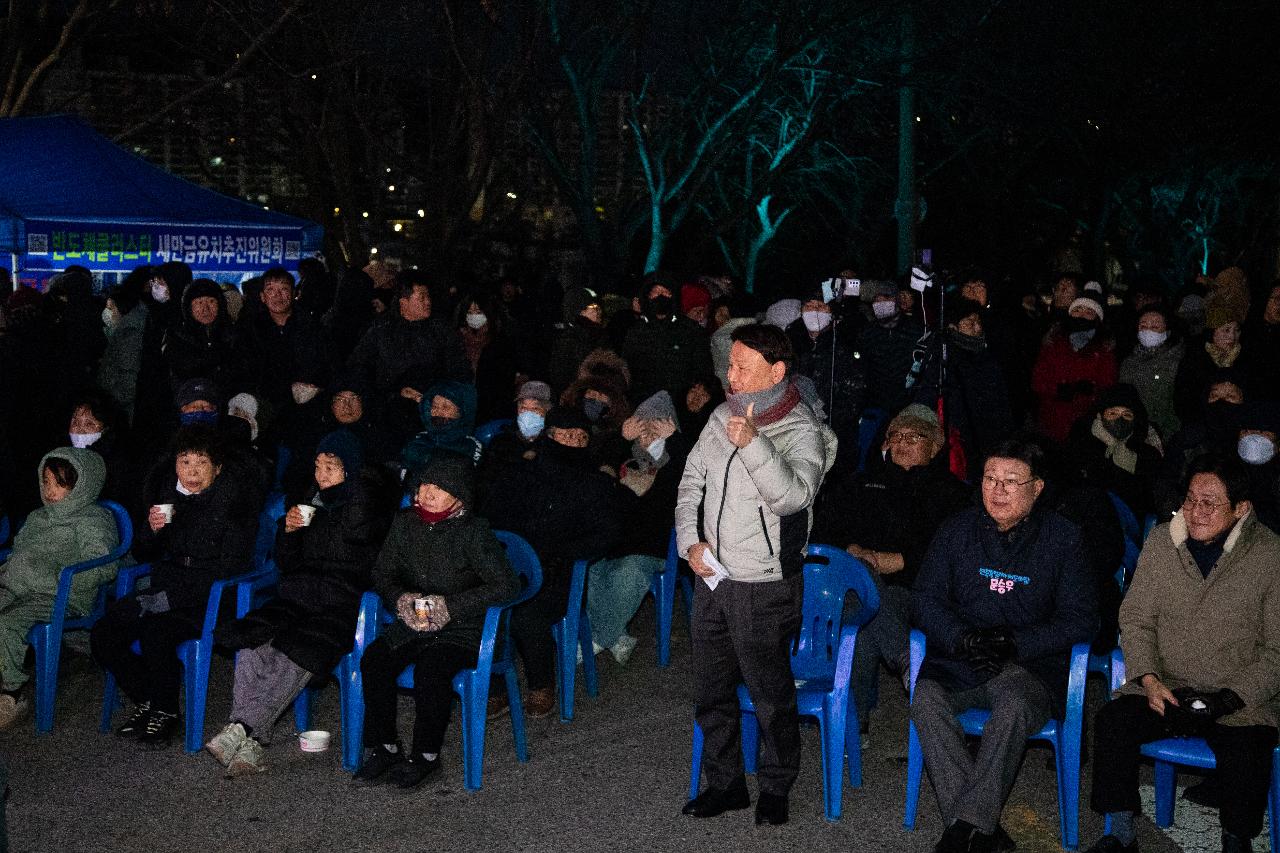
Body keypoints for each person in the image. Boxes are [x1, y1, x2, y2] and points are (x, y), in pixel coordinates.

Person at [678, 323, 836, 827]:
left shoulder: (803, 429)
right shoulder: (721, 414)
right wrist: (690, 543)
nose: (732, 375)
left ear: (777, 370)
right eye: (729, 365)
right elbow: (689, 483)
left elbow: (793, 497)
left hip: (766, 584)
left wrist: (752, 444)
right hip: (714, 578)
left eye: (743, 366)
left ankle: (775, 786)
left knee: (770, 695)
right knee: (710, 692)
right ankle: (725, 785)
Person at [1084, 453, 1280, 853]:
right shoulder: (1162, 541)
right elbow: (1135, 618)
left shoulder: (1270, 555)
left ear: (1241, 509)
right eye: (1190, 499)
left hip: (1237, 698)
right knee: (1113, 723)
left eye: (1210, 502)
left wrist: (1228, 698)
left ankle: (1236, 839)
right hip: (1167, 686)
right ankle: (1120, 831)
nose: (1196, 511)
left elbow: (1277, 649)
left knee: (1248, 749)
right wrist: (1150, 680)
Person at [910, 437, 1097, 852]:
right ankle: (981, 829)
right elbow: (925, 597)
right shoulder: (958, 529)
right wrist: (962, 637)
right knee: (924, 697)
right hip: (964, 658)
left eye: (1011, 482)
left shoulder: (1063, 539)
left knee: (1013, 705)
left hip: (1027, 666)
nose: (997, 491)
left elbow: (1082, 619)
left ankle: (962, 829)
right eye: (989, 479)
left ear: (1038, 488)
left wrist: (1017, 643)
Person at [207, 430, 390, 776]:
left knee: (298, 650)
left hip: (341, 602)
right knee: (252, 639)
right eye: (318, 466)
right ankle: (249, 737)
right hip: (298, 596)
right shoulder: (311, 497)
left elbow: (343, 546)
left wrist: (310, 524)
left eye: (331, 467)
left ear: (349, 470)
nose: (321, 475)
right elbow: (288, 563)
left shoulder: (367, 501)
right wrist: (288, 533)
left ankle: (242, 730)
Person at [90, 425, 264, 748]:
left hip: (211, 599)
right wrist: (152, 530)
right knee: (104, 632)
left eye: (201, 463)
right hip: (165, 590)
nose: (192, 472)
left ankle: (166, 712)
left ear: (218, 466)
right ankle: (150, 698)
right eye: (185, 462)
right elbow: (144, 553)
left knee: (155, 630)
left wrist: (167, 598)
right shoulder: (172, 496)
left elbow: (229, 570)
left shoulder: (235, 501)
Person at [352, 454, 518, 789]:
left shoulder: (473, 532)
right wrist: (401, 599)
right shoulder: (405, 523)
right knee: (375, 660)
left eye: (439, 487)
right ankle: (385, 745)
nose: (427, 492)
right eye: (424, 483)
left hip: (463, 628)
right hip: (417, 619)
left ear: (458, 497)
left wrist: (451, 607)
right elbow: (382, 572)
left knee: (432, 669)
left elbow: (506, 585)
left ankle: (426, 755)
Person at [811, 403, 971, 732]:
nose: (902, 442)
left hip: (917, 590)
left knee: (865, 608)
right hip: (855, 580)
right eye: (895, 435)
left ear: (935, 446)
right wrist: (850, 551)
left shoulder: (951, 493)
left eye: (914, 437)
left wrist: (895, 561)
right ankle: (906, 662)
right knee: (862, 588)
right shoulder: (862, 484)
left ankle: (852, 724)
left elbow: (952, 555)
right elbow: (824, 531)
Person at [480, 406, 623, 718]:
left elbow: (607, 533)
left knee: (526, 615)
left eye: (580, 437)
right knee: (482, 605)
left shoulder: (593, 484)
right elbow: (491, 517)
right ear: (550, 436)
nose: (572, 442)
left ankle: (541, 684)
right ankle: (495, 686)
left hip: (559, 573)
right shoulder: (520, 474)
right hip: (512, 568)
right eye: (565, 435)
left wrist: (561, 550)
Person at [0, 449, 120, 729]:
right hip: (20, 587)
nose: (50, 491)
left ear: (81, 485)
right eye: (46, 482)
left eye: (60, 483)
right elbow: (18, 552)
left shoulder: (92, 518)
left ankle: (11, 695)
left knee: (7, 622)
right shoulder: (37, 517)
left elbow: (103, 564)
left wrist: (58, 580)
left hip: (60, 596)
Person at [586, 391, 688, 664]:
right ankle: (616, 635)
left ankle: (596, 641)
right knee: (590, 567)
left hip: (655, 544)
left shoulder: (674, 460)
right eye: (642, 428)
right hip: (617, 539)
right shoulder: (625, 456)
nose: (647, 437)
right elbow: (597, 472)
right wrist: (622, 439)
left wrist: (674, 441)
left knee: (630, 571)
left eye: (654, 429)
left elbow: (690, 473)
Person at [912, 297, 1015, 468]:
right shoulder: (942, 359)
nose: (976, 326)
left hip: (990, 438)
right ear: (953, 327)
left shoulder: (988, 358)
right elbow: (926, 397)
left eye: (978, 321)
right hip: (958, 440)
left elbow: (1001, 400)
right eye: (969, 321)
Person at [346, 272, 472, 405]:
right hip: (389, 406)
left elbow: (459, 368)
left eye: (428, 296)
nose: (428, 302)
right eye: (421, 298)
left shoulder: (441, 329)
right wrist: (392, 392)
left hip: (432, 406)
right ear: (404, 302)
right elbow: (359, 365)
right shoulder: (381, 328)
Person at [785, 291, 868, 476]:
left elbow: (855, 395)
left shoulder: (845, 344)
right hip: (795, 431)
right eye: (809, 306)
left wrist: (825, 421)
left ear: (831, 313)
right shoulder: (788, 344)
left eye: (820, 306)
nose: (814, 311)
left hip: (835, 430)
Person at [233, 267, 335, 413]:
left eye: (284, 289)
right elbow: (245, 374)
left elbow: (329, 366)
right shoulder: (249, 332)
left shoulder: (313, 328)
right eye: (270, 290)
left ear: (294, 293)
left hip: (310, 407)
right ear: (262, 296)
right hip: (267, 410)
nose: (277, 295)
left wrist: (317, 388)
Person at [1062, 383, 1163, 519]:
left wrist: (1116, 446)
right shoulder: (1083, 443)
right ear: (1100, 415)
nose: (1120, 420)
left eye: (1127, 415)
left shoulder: (1147, 451)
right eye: (1112, 413)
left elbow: (1147, 491)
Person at [1031, 295, 1118, 444]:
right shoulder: (1053, 343)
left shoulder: (1104, 349)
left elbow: (1108, 385)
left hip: (1088, 424)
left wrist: (1091, 390)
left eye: (1089, 312)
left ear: (1097, 318)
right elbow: (1037, 381)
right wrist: (1058, 390)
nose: (1082, 315)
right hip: (1053, 422)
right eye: (1077, 310)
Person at [622, 278, 713, 405]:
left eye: (666, 292)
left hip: (681, 405)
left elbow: (703, 371)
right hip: (642, 404)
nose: (661, 296)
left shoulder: (692, 331)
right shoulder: (636, 332)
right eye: (656, 292)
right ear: (647, 296)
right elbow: (628, 370)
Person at [859, 281, 926, 415]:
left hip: (908, 404)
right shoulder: (867, 332)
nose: (881, 302)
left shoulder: (916, 330)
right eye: (876, 300)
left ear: (896, 300)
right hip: (874, 404)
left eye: (886, 298)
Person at [1118, 307, 1184, 440]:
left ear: (1167, 331)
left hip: (1168, 433)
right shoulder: (1128, 362)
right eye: (1143, 325)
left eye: (1155, 326)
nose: (1148, 330)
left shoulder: (1179, 361)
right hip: (1134, 432)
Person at [95, 268, 151, 424]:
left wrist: (109, 405)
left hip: (123, 412)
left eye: (111, 308)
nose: (107, 313)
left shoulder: (129, 333)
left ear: (122, 308)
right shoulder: (121, 332)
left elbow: (128, 379)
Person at [399, 380, 482, 473]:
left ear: (460, 412)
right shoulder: (419, 439)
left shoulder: (470, 446)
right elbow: (405, 474)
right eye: (434, 406)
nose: (437, 411)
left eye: (446, 407)